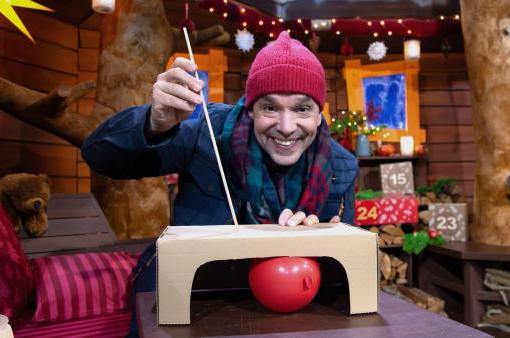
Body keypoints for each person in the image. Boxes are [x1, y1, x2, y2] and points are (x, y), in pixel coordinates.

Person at [81, 31, 358, 336]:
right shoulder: (208, 135)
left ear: (320, 114)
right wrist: (153, 124)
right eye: (270, 107)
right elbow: (99, 156)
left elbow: (343, 279)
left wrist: (322, 243)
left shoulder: (341, 168)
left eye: (302, 109)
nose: (287, 127)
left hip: (284, 312)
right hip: (190, 300)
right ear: (251, 109)